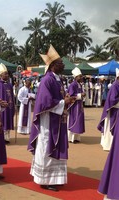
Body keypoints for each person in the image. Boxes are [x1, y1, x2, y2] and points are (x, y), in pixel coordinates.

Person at [28, 45, 75, 192]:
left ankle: (54, 178)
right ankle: (45, 179)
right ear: (53, 65)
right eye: (61, 62)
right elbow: (44, 102)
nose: (63, 64)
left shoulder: (58, 79)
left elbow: (58, 97)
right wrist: (63, 102)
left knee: (55, 145)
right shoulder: (47, 80)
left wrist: (66, 98)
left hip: (58, 119)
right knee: (46, 145)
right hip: (48, 121)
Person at [97, 66, 119, 151]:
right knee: (111, 127)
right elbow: (112, 99)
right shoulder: (115, 85)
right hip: (113, 111)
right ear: (118, 77)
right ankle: (108, 145)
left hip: (118, 109)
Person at [0, 63, 15, 144]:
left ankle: (7, 138)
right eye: (5, 74)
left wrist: (13, 105)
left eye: (7, 74)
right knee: (2, 121)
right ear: (0, 75)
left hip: (9, 107)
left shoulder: (10, 84)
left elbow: (12, 96)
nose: (7, 75)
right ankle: (1, 138)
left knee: (8, 121)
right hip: (2, 107)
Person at [67, 67, 86, 143]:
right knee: (74, 120)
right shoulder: (73, 85)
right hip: (74, 106)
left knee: (79, 121)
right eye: (80, 76)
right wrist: (80, 95)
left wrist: (82, 95)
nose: (82, 77)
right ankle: (71, 138)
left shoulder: (79, 85)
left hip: (79, 105)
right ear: (75, 77)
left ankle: (76, 137)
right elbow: (71, 96)